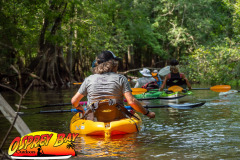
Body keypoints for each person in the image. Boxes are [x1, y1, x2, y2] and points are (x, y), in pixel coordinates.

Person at [71, 51, 155, 121]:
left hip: (94, 120)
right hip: (117, 119)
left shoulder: (88, 79)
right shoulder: (121, 78)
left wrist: (80, 108)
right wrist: (147, 113)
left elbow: (74, 101)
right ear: (113, 63)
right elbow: (132, 101)